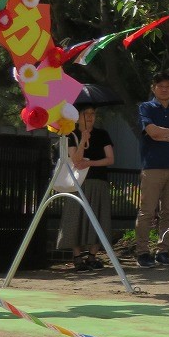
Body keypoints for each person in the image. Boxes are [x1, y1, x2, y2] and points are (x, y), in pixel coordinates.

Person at [134, 72, 169, 268]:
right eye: (161, 86)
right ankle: (142, 252)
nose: (164, 89)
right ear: (153, 88)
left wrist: (163, 136)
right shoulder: (146, 107)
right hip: (152, 166)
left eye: (168, 86)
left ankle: (163, 251)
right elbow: (152, 132)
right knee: (147, 211)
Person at [57, 105, 114, 270]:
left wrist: (90, 163)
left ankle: (92, 256)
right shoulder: (70, 134)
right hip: (78, 182)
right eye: (85, 113)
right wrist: (83, 140)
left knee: (99, 217)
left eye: (93, 113)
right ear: (78, 116)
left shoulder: (102, 134)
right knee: (75, 217)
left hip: (98, 181)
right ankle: (77, 257)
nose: (90, 116)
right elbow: (76, 159)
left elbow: (110, 159)